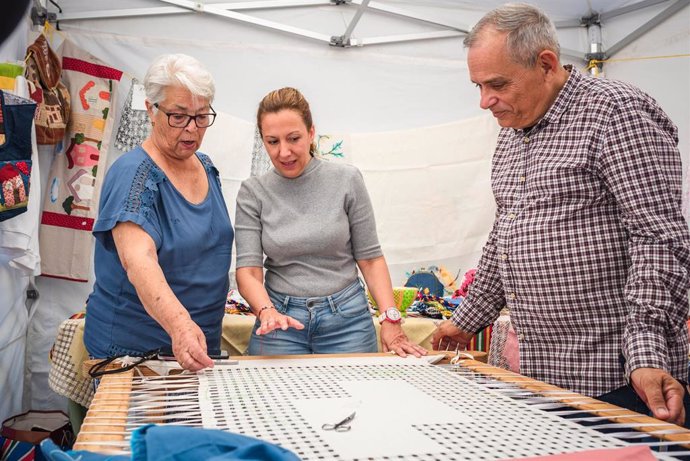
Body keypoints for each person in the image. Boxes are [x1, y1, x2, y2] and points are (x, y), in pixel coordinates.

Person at [432, 3, 690, 426]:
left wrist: (646, 353)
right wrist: (466, 320)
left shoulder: (616, 113)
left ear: (546, 64)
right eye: (477, 86)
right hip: (536, 374)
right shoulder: (514, 131)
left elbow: (659, 238)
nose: (484, 101)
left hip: (614, 376)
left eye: (497, 84)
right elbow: (507, 236)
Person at [235, 87, 426, 357]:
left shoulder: (346, 180)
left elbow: (370, 259)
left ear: (312, 132)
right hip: (280, 321)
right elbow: (249, 272)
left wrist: (390, 319)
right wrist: (266, 311)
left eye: (294, 138)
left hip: (347, 321)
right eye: (272, 141)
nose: (284, 152)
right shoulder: (253, 192)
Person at [84, 54, 233, 372]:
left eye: (201, 116)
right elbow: (139, 260)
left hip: (197, 346)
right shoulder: (134, 175)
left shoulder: (206, 166)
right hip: (136, 351)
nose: (192, 129)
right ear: (151, 109)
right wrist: (180, 324)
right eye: (178, 117)